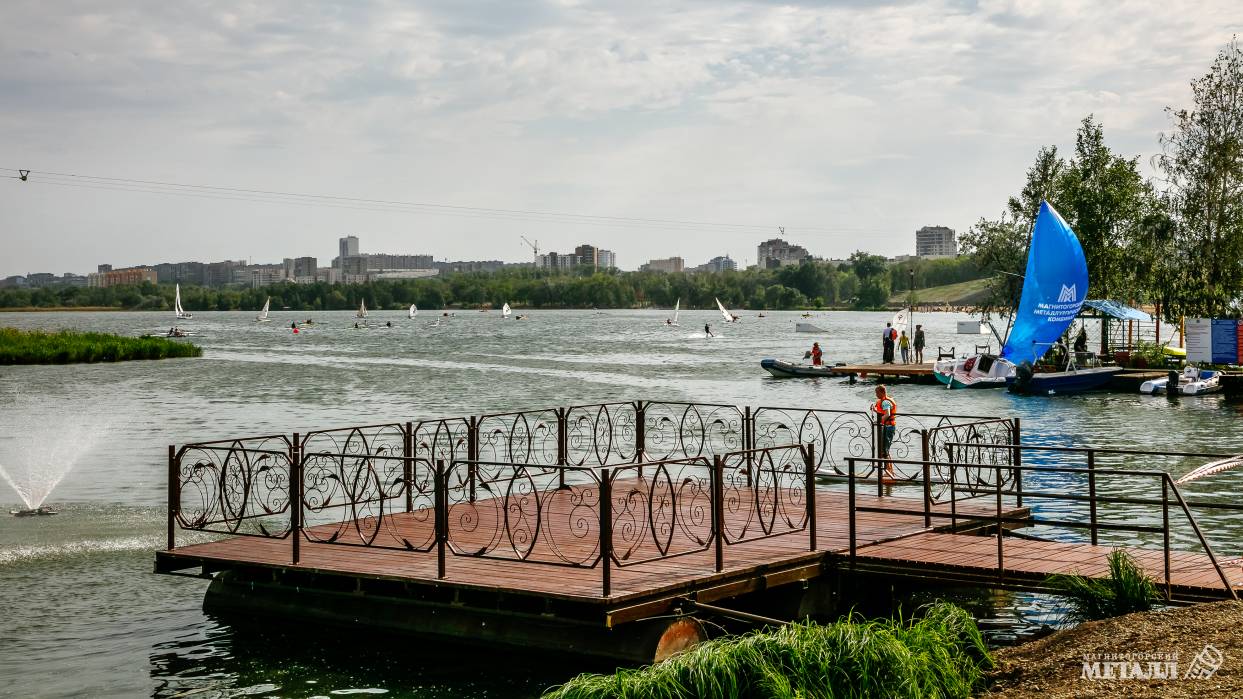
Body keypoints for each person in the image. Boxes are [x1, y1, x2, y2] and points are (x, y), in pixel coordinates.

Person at [872, 385, 897, 484]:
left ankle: (888, 472)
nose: (876, 394)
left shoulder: (886, 402)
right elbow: (883, 413)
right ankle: (889, 471)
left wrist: (878, 422)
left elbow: (887, 414)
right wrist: (875, 410)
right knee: (885, 450)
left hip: (889, 427)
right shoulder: (883, 401)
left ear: (882, 392)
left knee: (885, 450)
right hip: (887, 427)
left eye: (877, 393)